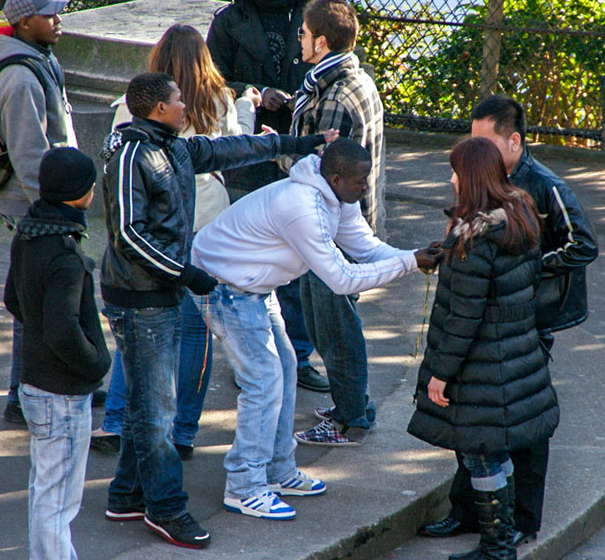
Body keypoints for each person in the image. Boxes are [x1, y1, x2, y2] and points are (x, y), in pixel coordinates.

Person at [99, 72, 333, 548]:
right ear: (158, 109)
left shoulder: (176, 149)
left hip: (160, 294)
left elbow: (235, 149)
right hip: (139, 301)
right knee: (157, 412)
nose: (185, 105)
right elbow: (127, 234)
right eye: (178, 100)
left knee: (150, 404)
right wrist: (184, 273)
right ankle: (166, 509)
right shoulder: (130, 156)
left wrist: (300, 142)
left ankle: (126, 495)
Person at [189, 138, 442, 520]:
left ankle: (277, 471)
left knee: (285, 370)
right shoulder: (302, 207)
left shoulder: (337, 197)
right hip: (223, 287)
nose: (365, 189)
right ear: (336, 178)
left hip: (254, 287)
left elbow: (366, 248)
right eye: (359, 181)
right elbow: (341, 278)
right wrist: (409, 262)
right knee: (263, 382)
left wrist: (414, 256)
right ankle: (244, 486)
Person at [419, 95, 598, 547]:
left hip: (527, 321)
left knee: (523, 422)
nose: (474, 151)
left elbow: (583, 245)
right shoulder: (484, 183)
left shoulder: (544, 185)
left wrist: (526, 270)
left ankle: (520, 520)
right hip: (495, 323)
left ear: (514, 142)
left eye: (485, 142)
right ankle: (467, 512)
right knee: (475, 419)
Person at [90, 24, 260, 459]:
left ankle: (116, 421)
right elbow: (236, 145)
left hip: (153, 230)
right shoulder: (219, 101)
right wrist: (246, 106)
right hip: (207, 221)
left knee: (141, 332)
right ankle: (182, 431)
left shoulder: (135, 105)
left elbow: (112, 158)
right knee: (193, 332)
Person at [407, 136, 557, 560]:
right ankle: (498, 548)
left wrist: (440, 374)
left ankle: (495, 557)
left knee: (482, 458)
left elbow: (464, 316)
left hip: (482, 368)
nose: (451, 179)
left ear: (471, 177)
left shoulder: (474, 235)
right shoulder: (518, 215)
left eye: (455, 171)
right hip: (515, 357)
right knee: (496, 456)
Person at [207, 0, 330, 395]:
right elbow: (213, 79)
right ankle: (251, 356)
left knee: (300, 256)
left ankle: (297, 354)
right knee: (252, 261)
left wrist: (305, 99)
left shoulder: (319, 11)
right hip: (250, 154)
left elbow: (341, 66)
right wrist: (252, 94)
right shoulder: (227, 21)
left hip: (303, 149)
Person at [0, 0, 99, 425]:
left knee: (40, 298)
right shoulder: (18, 76)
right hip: (35, 208)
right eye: (49, 14)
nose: (58, 19)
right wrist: (58, 213)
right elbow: (29, 155)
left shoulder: (40, 59)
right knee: (35, 301)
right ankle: (21, 394)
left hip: (49, 205)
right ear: (24, 22)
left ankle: (29, 388)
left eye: (58, 12)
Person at [3, 147, 112, 560]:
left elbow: (13, 299)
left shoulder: (29, 233)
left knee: (45, 489)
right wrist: (93, 365)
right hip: (63, 392)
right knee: (59, 499)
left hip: (35, 382)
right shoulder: (65, 256)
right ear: (78, 195)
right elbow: (62, 329)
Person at [283, 0, 388, 447]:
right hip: (347, 226)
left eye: (303, 34)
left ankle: (349, 420)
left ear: (322, 41)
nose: (299, 40)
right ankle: (355, 405)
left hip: (332, 231)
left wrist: (278, 148)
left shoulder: (335, 96)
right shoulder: (353, 80)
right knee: (336, 320)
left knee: (334, 328)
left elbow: (317, 171)